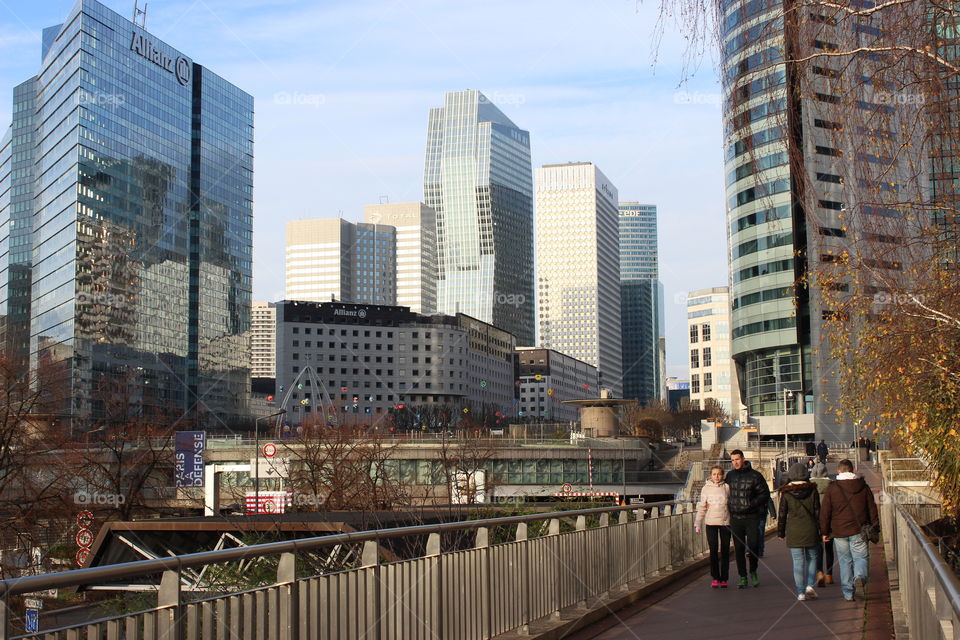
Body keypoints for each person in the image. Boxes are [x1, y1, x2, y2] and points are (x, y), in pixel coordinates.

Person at [820, 459, 879, 601]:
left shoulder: (832, 488)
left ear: (839, 471)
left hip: (839, 532)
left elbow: (825, 512)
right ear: (852, 470)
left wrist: (825, 532)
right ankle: (859, 576)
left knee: (845, 561)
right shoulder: (863, 487)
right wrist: (875, 526)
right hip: (859, 530)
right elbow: (872, 508)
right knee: (860, 557)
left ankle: (848, 593)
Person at [725, 449, 770, 588]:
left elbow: (765, 494)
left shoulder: (755, 476)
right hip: (736, 518)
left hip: (751, 517)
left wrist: (752, 504)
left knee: (754, 545)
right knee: (738, 548)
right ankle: (743, 576)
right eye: (732, 460)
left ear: (743, 459)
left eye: (737, 459)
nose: (735, 463)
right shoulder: (730, 476)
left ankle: (753, 571)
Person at [778, 463, 821, 600]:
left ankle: (800, 592)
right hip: (811, 529)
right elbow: (817, 512)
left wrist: (781, 532)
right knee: (812, 558)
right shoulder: (813, 491)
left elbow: (782, 514)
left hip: (793, 530)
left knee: (798, 561)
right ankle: (809, 585)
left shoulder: (786, 493)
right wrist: (823, 530)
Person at [695, 465, 731, 588]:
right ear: (711, 475)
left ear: (723, 475)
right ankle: (715, 577)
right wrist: (697, 522)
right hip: (711, 523)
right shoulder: (706, 489)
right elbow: (702, 506)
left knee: (725, 551)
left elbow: (731, 504)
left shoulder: (726, 487)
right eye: (714, 474)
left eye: (719, 474)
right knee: (713, 550)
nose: (716, 476)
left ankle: (724, 578)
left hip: (725, 523)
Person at [810, 462, 834, 586]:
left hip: (815, 523)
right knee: (829, 549)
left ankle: (819, 573)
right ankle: (829, 575)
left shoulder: (810, 487)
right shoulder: (831, 486)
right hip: (829, 522)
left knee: (817, 549)